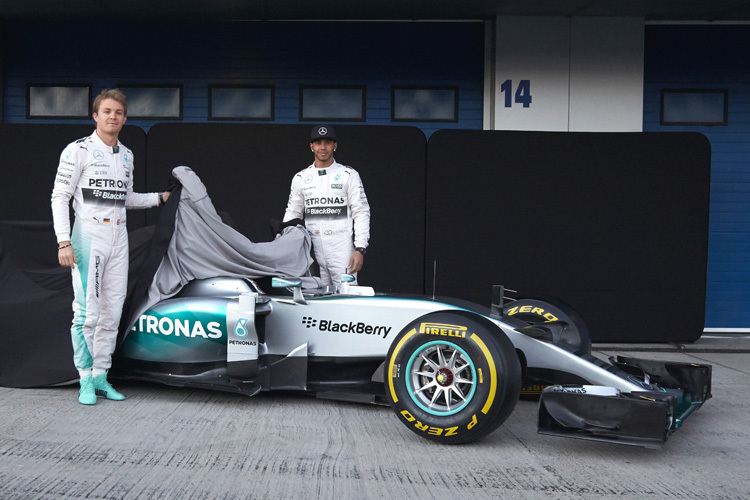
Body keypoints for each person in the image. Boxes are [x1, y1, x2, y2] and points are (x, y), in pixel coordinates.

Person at [51, 88, 170, 405]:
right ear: (95, 115)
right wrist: (64, 241)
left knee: (112, 312)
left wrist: (160, 198)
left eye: (118, 112)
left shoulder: (128, 155)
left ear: (125, 118)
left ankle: (102, 376)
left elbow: (126, 199)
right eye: (107, 111)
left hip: (120, 236)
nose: (113, 117)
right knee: (87, 313)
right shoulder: (78, 151)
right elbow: (59, 197)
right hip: (87, 236)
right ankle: (85, 380)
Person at [283, 125, 370, 285]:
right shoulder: (301, 178)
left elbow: (361, 212)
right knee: (315, 296)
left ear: (335, 146)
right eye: (318, 143)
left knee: (346, 296)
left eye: (328, 142)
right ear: (311, 146)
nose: (323, 147)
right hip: (312, 248)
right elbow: (292, 214)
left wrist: (360, 248)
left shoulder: (348, 175)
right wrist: (284, 244)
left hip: (341, 246)